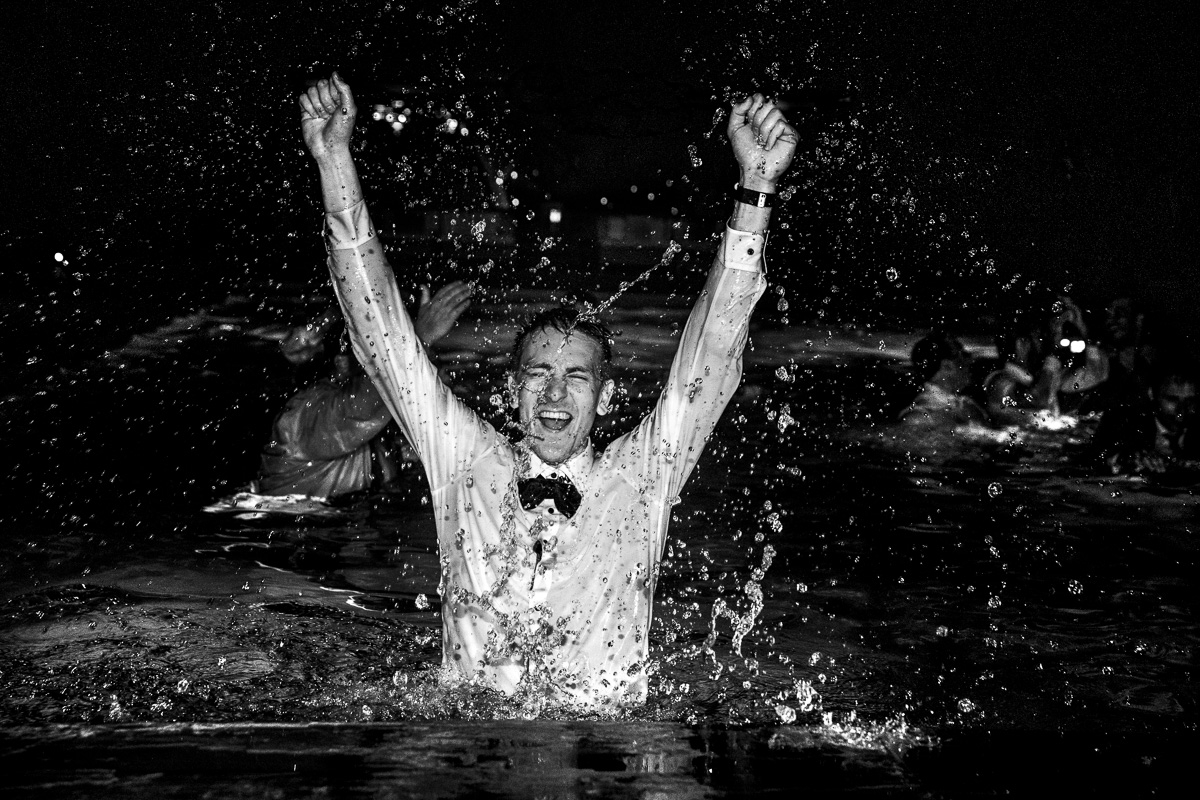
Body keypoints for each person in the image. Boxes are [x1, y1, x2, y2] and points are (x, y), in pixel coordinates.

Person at [298, 72, 796, 707]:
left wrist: (756, 189)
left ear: (607, 398)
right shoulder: (462, 460)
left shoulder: (645, 475)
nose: (555, 395)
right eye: (538, 375)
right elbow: (384, 339)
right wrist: (334, 160)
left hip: (607, 758)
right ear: (513, 389)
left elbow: (714, 350)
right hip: (472, 751)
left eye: (576, 377)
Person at [257, 281, 472, 498]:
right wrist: (419, 339)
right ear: (343, 362)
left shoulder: (382, 422)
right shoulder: (306, 416)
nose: (393, 353)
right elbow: (365, 404)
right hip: (299, 522)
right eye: (387, 347)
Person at [1092, 365, 1197, 474]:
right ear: (1152, 394)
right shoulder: (1126, 420)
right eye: (1172, 400)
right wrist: (1127, 459)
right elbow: (1096, 458)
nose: (1182, 410)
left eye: (1190, 401)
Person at [899, 330, 989, 427]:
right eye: (964, 355)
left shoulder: (967, 406)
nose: (970, 361)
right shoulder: (918, 419)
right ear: (947, 366)